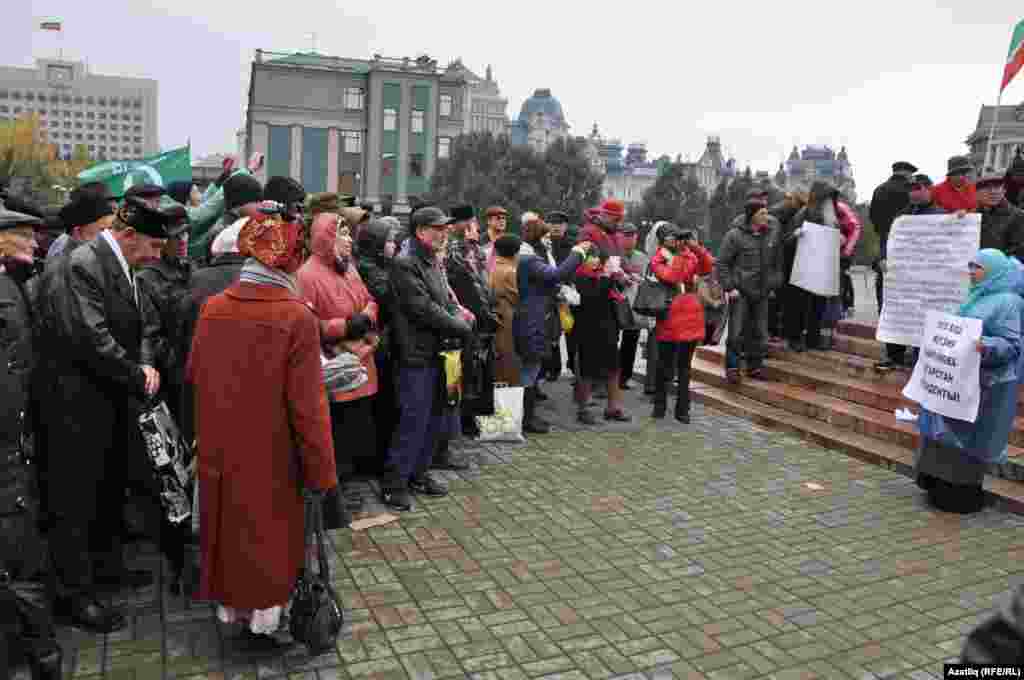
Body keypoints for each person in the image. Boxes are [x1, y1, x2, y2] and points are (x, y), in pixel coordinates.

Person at [187, 210, 337, 641]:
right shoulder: (295, 317)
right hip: (274, 456)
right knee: (268, 542)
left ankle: (234, 613)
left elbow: (194, 376)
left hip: (220, 448)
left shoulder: (213, 308)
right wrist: (321, 472)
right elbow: (308, 409)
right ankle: (267, 623)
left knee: (231, 536)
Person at [38, 198, 182, 633]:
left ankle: (105, 570)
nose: (157, 255)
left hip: (109, 398)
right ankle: (75, 595)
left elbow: (140, 326)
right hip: (75, 406)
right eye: (153, 246)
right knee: (75, 501)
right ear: (129, 235)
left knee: (106, 491)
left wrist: (144, 364)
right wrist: (137, 373)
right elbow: (89, 337)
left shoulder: (123, 265)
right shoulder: (80, 264)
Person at [0, 206, 63, 680]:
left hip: (16, 445)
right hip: (8, 452)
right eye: (23, 235)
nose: (34, 243)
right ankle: (42, 658)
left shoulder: (14, 287)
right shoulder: (6, 294)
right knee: (20, 563)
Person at [915, 249, 1022, 514]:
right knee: (944, 438)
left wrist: (985, 346)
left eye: (978, 267)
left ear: (994, 270)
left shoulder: (1008, 302)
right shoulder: (977, 294)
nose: (971, 271)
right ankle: (937, 487)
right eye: (971, 266)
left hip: (983, 384)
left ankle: (959, 496)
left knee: (966, 443)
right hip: (959, 380)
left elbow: (1012, 345)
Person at [383, 207, 474, 511]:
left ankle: (418, 475)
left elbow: (445, 300)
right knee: (413, 420)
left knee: (436, 417)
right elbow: (422, 308)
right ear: (421, 231)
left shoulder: (433, 261)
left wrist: (459, 313)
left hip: (441, 352)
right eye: (438, 228)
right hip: (415, 355)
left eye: (445, 228)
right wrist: (459, 325)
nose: (443, 233)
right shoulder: (405, 264)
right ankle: (395, 484)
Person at [297, 210, 379, 526]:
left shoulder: (349, 267)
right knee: (338, 436)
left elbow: (370, 299)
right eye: (342, 234)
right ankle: (337, 496)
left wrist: (366, 318)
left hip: (362, 360)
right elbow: (307, 324)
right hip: (336, 367)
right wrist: (344, 326)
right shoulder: (307, 275)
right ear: (325, 239)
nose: (349, 240)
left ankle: (349, 487)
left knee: (356, 431)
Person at [514, 217, 589, 434]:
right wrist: (578, 252)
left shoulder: (533, 256)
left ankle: (528, 415)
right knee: (529, 371)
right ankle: (525, 419)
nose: (550, 241)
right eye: (546, 237)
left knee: (533, 369)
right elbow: (556, 274)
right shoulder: (528, 259)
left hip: (538, 317)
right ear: (536, 237)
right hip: (531, 319)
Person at [783, 181, 860, 354]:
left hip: (823, 267)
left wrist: (841, 240)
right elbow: (787, 240)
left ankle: (813, 338)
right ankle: (795, 339)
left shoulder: (833, 218)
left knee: (818, 305)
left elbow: (843, 234)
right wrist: (796, 235)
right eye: (827, 197)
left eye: (831, 198)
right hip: (804, 268)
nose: (829, 202)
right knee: (800, 305)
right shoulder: (804, 213)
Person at [876, 175, 944, 370]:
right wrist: (882, 258)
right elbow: (887, 240)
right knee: (898, 315)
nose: (913, 193)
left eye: (918, 188)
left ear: (929, 189)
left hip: (928, 279)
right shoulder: (901, 216)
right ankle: (894, 356)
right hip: (903, 279)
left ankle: (921, 359)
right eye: (910, 189)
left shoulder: (941, 215)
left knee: (924, 318)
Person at [649, 223, 715, 422]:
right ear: (662, 240)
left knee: (685, 366)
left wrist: (695, 247)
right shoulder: (658, 259)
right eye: (671, 236)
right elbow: (673, 277)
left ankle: (683, 409)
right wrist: (680, 254)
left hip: (690, 317)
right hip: (669, 316)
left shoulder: (690, 255)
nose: (675, 240)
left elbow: (707, 267)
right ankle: (659, 406)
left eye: (676, 236)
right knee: (664, 365)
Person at [444, 205, 497, 439]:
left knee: (478, 369)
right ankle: (463, 421)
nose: (473, 226)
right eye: (469, 222)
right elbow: (468, 275)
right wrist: (471, 245)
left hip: (478, 316)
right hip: (462, 315)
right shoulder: (452, 247)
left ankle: (472, 418)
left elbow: (483, 277)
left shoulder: (473, 248)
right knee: (465, 369)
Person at [136, 208, 192, 424]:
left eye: (186, 233)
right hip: (170, 377)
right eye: (176, 235)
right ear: (161, 240)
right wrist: (177, 363)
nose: (183, 240)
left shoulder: (192, 269)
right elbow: (149, 334)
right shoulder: (147, 278)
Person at [719, 201, 784, 382]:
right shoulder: (734, 235)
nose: (767, 217)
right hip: (740, 292)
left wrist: (774, 283)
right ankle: (733, 368)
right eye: (762, 213)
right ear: (752, 215)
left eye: (767, 213)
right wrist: (729, 287)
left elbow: (778, 263)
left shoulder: (770, 235)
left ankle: (755, 367)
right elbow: (722, 263)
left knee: (760, 332)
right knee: (736, 332)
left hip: (762, 292)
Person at [356, 219, 400, 464]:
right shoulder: (369, 269)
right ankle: (377, 458)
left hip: (382, 339)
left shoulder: (379, 266)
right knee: (382, 403)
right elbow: (390, 299)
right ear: (377, 244)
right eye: (390, 241)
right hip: (377, 342)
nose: (394, 245)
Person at [573, 244, 630, 424]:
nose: (596, 260)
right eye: (592, 256)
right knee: (587, 369)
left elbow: (615, 292)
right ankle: (583, 409)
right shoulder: (580, 275)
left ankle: (613, 407)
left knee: (613, 367)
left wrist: (620, 278)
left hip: (609, 326)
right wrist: (606, 276)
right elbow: (592, 297)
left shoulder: (604, 274)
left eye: (598, 257)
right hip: (588, 328)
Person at [544, 210, 577, 381]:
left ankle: (574, 366)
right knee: (552, 332)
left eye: (560, 224)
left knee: (571, 331)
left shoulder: (573, 245)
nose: (556, 227)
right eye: (552, 223)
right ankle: (553, 368)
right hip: (549, 294)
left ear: (565, 226)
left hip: (569, 293)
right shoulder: (542, 244)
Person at [615, 222, 649, 390]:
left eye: (632, 236)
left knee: (631, 341)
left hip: (634, 305)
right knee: (611, 341)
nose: (629, 240)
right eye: (625, 236)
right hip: (615, 303)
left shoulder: (642, 258)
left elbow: (647, 280)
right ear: (619, 237)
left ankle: (625, 377)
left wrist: (639, 280)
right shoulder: (613, 254)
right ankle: (610, 376)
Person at [490, 234, 523, 387]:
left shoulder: (495, 267)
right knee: (509, 360)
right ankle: (510, 397)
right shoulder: (510, 271)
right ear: (515, 253)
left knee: (500, 359)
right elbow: (518, 297)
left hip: (497, 316)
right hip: (508, 317)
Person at [976, 169, 1024, 259]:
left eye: (997, 187)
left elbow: (1019, 251)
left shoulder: (1018, 216)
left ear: (1004, 191)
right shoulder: (972, 216)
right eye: (987, 188)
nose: (993, 192)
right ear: (977, 193)